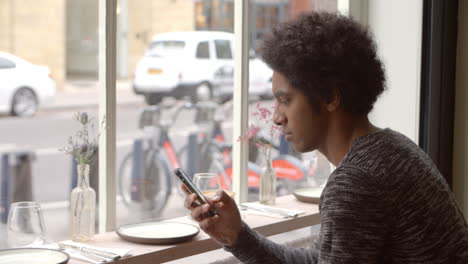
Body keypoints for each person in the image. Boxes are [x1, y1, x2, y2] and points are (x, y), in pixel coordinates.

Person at [182, 12, 468, 263]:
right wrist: (237, 237)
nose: (276, 117)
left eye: (286, 100)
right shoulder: (393, 148)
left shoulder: (358, 181)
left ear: (330, 96)